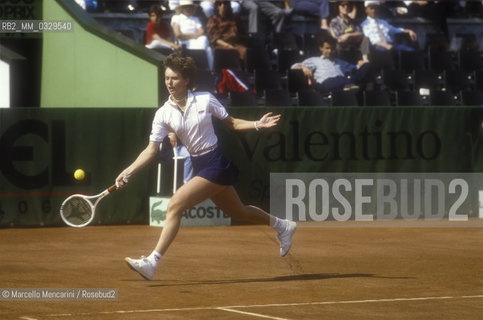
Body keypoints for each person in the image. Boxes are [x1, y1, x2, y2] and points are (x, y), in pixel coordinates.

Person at [119, 54, 296, 280]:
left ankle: (152, 262)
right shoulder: (162, 113)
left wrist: (257, 125)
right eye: (166, 78)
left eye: (174, 78)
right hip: (199, 164)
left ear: (186, 80)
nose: (169, 83)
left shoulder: (205, 99)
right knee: (239, 212)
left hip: (215, 163)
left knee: (174, 205)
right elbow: (150, 150)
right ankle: (283, 225)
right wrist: (128, 171)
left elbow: (231, 123)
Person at [291, 34, 373, 93]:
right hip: (326, 83)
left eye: (332, 49)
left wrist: (360, 64)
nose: (330, 51)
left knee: (367, 65)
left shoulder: (340, 62)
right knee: (340, 80)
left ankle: (365, 86)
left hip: (344, 81)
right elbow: (293, 66)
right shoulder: (314, 60)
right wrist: (303, 68)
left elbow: (355, 69)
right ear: (321, 48)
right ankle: (354, 87)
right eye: (327, 48)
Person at [171, 0, 214, 70]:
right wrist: (195, 35)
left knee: (205, 42)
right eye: (185, 7)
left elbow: (201, 32)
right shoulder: (176, 18)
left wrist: (186, 36)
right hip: (183, 43)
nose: (188, 9)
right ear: (182, 8)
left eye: (190, 7)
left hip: (196, 42)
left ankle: (211, 71)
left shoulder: (195, 19)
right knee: (206, 47)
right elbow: (178, 35)